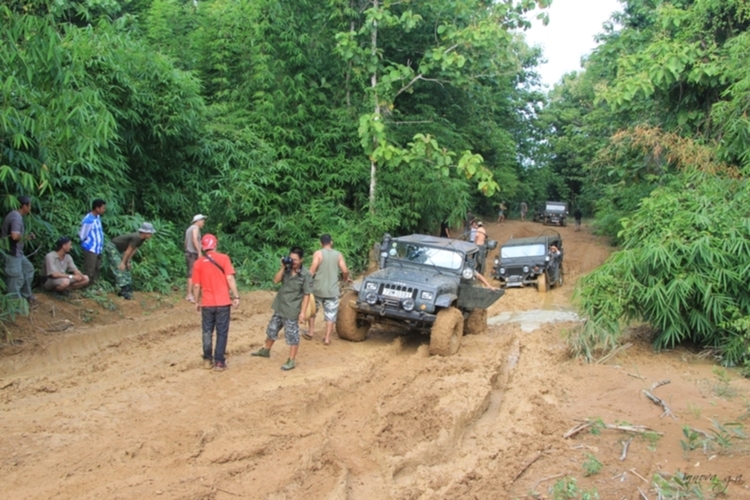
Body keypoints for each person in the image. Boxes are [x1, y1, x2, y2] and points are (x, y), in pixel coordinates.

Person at [252, 247, 312, 371]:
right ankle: (266, 350)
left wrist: (302, 312)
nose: (293, 261)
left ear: (301, 260)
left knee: (292, 335)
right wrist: (283, 267)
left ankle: (291, 360)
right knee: (272, 329)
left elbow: (307, 294)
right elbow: (276, 280)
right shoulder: (287, 269)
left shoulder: (305, 275)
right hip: (280, 305)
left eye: (295, 259)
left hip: (292, 309)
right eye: (291, 258)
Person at [192, 233, 240, 371]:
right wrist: (236, 296)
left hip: (207, 303)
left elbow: (196, 285)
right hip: (223, 302)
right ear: (215, 244)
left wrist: (196, 301)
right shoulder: (224, 258)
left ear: (203, 246)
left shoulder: (198, 263)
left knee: (207, 331)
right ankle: (219, 362)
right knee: (222, 332)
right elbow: (230, 278)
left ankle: (207, 360)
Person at [305, 234, 351, 345]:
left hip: (317, 288)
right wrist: (345, 279)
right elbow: (345, 270)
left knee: (312, 311)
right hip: (332, 290)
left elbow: (312, 270)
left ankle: (310, 332)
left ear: (321, 243)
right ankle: (327, 338)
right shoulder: (338, 255)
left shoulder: (318, 253)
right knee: (330, 314)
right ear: (331, 242)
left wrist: (305, 282)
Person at [105, 222, 156, 300]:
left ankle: (127, 287)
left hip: (121, 250)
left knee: (126, 267)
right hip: (113, 247)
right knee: (119, 267)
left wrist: (128, 261)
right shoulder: (137, 237)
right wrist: (122, 262)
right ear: (144, 232)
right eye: (150, 232)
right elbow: (128, 250)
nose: (151, 234)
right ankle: (122, 290)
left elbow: (134, 249)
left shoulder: (142, 239)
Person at [1, 196, 36, 303]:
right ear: (24, 206)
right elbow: (15, 236)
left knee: (28, 269)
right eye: (29, 206)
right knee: (16, 278)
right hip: (12, 253)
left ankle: (26, 295)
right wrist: (27, 237)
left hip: (18, 253)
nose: (30, 208)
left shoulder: (15, 216)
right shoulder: (16, 217)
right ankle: (14, 303)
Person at [79, 199, 106, 286]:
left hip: (98, 249)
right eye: (103, 208)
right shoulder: (88, 220)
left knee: (96, 268)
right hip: (91, 248)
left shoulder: (97, 217)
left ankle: (93, 287)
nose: (104, 210)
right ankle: (86, 287)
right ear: (97, 208)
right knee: (89, 270)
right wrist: (88, 244)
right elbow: (82, 235)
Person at [185, 214, 206, 303]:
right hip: (192, 253)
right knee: (192, 274)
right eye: (202, 221)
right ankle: (189, 294)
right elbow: (194, 240)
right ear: (198, 221)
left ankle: (194, 293)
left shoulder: (189, 229)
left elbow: (185, 243)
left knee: (192, 273)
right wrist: (199, 252)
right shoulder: (195, 228)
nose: (203, 223)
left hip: (188, 253)